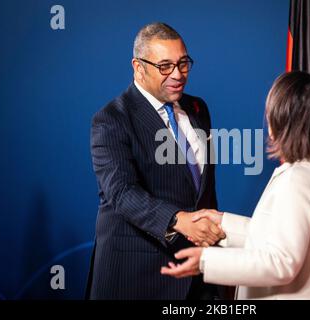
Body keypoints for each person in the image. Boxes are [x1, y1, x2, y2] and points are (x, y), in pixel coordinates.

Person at [161, 71, 310, 299]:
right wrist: (224, 223)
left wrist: (205, 261)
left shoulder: (298, 179)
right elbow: (277, 236)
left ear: (284, 122)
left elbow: (281, 261)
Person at [87, 22, 225, 300]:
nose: (178, 74)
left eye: (183, 63)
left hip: (199, 275)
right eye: (165, 66)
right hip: (137, 277)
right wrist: (178, 220)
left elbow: (200, 190)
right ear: (138, 67)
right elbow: (122, 193)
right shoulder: (111, 120)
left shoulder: (198, 109)